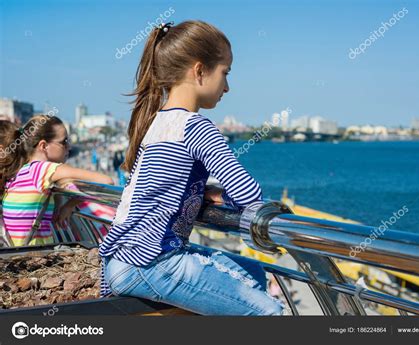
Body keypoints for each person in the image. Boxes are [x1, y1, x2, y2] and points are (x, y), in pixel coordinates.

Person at [100, 20, 285, 315]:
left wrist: (201, 191)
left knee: (255, 274)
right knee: (270, 313)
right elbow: (249, 193)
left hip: (124, 257)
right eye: (225, 73)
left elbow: (163, 184)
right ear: (199, 71)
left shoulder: (156, 123)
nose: (227, 86)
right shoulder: (195, 127)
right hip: (151, 261)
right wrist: (224, 197)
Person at [0, 116, 114, 246]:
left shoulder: (21, 171)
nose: (69, 147)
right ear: (43, 146)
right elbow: (106, 181)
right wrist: (70, 205)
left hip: (17, 253)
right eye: (64, 141)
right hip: (36, 254)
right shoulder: (43, 169)